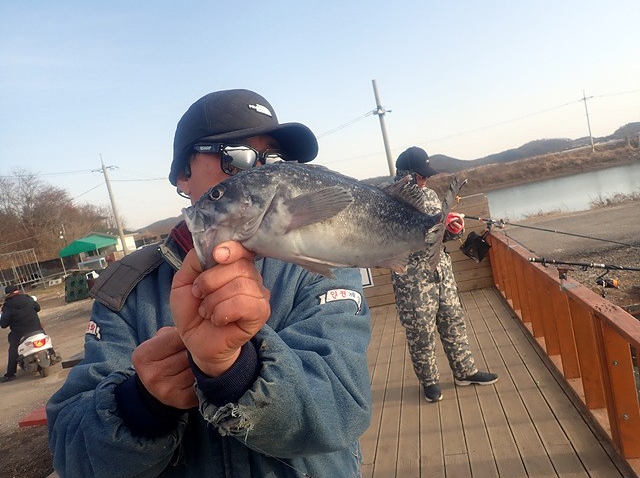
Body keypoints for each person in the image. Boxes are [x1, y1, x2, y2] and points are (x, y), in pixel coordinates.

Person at [47, 89, 372, 477]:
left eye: (274, 160)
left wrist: (239, 373)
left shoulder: (319, 267)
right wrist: (142, 404)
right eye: (237, 158)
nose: (262, 174)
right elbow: (71, 452)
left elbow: (344, 406)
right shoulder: (126, 290)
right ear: (183, 175)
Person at [390, 146, 498, 402]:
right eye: (421, 175)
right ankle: (429, 382)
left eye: (427, 175)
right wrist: (433, 231)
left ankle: (465, 371)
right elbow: (396, 240)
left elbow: (440, 234)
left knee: (453, 321)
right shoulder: (391, 200)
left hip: (442, 271)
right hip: (412, 279)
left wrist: (452, 230)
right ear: (406, 174)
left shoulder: (429, 195)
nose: (425, 180)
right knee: (421, 333)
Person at [1, 285, 44, 382]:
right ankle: (53, 355)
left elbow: (3, 324)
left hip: (19, 333)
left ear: (7, 294)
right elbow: (38, 308)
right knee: (44, 336)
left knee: (13, 350)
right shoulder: (28, 298)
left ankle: (10, 374)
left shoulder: (7, 306)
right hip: (36, 328)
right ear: (17, 290)